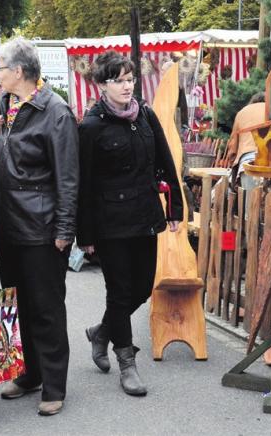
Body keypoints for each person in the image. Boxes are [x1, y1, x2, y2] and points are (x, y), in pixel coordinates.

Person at [77, 50, 183, 397]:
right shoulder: (91, 127)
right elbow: (85, 183)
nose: (126, 86)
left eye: (129, 79)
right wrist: (86, 234)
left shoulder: (145, 116)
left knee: (141, 288)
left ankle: (102, 331)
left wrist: (176, 210)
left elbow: (166, 161)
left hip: (146, 216)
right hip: (110, 224)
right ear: (102, 85)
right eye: (118, 80)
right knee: (119, 292)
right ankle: (127, 363)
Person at [0, 38, 78, 417]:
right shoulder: (5, 105)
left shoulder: (55, 111)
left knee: (46, 308)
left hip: (41, 226)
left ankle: (54, 384)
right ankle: (29, 372)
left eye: (1, 68)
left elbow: (68, 177)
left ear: (19, 72)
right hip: (8, 222)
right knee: (17, 304)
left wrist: (65, 230)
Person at [226, 92, 267, 193]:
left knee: (250, 201)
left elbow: (233, 145)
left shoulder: (242, 113)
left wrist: (232, 162)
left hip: (247, 161)